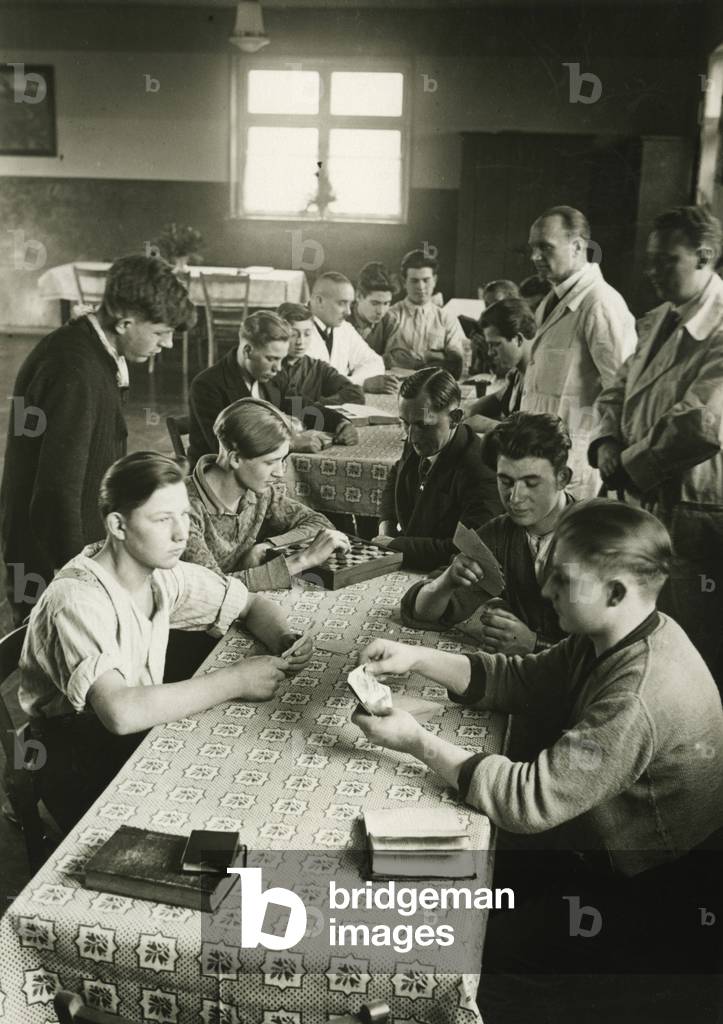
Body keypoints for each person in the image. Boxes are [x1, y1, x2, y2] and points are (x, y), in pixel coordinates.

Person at [354, 500, 723, 1024]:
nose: (546, 590)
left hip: (650, 886)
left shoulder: (640, 693)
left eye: (562, 580)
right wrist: (419, 658)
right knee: (455, 892)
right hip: (595, 844)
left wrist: (416, 740)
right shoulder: (619, 632)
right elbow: (522, 679)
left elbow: (528, 800)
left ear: (616, 592)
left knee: (470, 956)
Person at [18, 451, 313, 831]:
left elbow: (251, 603)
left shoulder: (158, 573)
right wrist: (237, 680)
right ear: (118, 525)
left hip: (131, 725)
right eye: (162, 520)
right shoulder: (76, 599)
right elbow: (121, 713)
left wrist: (283, 637)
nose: (181, 534)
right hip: (73, 753)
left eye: (185, 516)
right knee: (202, 822)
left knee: (255, 782)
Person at [0, 255, 195, 624]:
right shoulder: (75, 369)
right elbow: (56, 494)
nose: (167, 344)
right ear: (124, 322)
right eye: (160, 332)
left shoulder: (92, 351)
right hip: (53, 560)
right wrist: (83, 578)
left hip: (70, 549)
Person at [589, 205, 723, 692]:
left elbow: (702, 422)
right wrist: (606, 440)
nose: (652, 272)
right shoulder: (658, 319)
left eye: (666, 261)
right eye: (651, 261)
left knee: (690, 645)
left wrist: (627, 464)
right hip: (643, 496)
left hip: (691, 509)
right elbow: (617, 390)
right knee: (645, 634)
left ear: (705, 257)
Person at [401, 412, 572, 655]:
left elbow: (616, 651)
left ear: (562, 478)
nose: (515, 498)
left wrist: (535, 644)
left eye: (531, 483)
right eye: (506, 482)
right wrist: (447, 582)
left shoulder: (599, 538)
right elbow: (419, 612)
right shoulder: (499, 534)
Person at [523, 206, 637, 497]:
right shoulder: (552, 299)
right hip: (541, 455)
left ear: (577, 246)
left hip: (576, 460)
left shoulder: (600, 303)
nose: (535, 257)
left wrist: (609, 451)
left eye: (545, 247)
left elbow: (624, 391)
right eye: (533, 248)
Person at [184, 398, 350, 592]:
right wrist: (303, 559)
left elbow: (317, 523)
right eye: (271, 462)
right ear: (236, 458)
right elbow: (213, 590)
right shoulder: (182, 510)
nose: (279, 472)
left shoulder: (261, 493)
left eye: (282, 460)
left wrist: (267, 547)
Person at [188, 311, 357, 466]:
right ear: (247, 351)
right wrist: (290, 442)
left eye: (281, 359)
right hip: (218, 474)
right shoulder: (207, 385)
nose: (278, 368)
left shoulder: (274, 375)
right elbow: (226, 447)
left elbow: (302, 407)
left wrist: (339, 423)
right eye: (271, 358)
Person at [374, 367, 502, 571]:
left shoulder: (480, 470)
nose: (410, 437)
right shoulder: (418, 436)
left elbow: (468, 552)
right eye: (404, 423)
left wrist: (393, 546)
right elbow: (397, 476)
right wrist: (386, 527)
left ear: (455, 418)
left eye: (422, 425)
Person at [386, 250, 469, 378]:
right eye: (414, 281)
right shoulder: (390, 316)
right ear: (404, 282)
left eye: (426, 280)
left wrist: (421, 358)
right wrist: (437, 357)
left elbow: (456, 363)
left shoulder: (447, 319)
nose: (420, 286)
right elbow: (378, 359)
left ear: (435, 280)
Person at [305, 272, 391, 393]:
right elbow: (313, 382)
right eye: (342, 303)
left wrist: (353, 381)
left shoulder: (344, 328)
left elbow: (375, 362)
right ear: (319, 301)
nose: (348, 312)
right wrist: (361, 383)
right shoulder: (298, 330)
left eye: (350, 304)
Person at [464, 299, 538, 434]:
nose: (490, 352)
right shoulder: (516, 373)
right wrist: (467, 410)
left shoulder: (539, 379)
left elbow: (537, 433)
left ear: (518, 339)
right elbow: (499, 397)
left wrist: (490, 426)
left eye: (496, 344)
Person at [276, 302, 365, 408]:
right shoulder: (269, 366)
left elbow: (355, 393)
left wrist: (318, 405)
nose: (301, 341)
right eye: (294, 335)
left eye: (307, 334)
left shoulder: (318, 368)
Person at [347, 261, 398, 362]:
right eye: (375, 303)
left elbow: (395, 358)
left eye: (386, 303)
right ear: (358, 296)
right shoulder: (341, 318)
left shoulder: (389, 321)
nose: (381, 311)